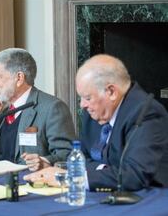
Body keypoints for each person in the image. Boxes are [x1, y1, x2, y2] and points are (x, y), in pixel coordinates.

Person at [24, 54, 168, 191]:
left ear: (111, 92)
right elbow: (81, 158)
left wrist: (73, 178)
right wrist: (51, 164)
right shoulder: (95, 111)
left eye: (87, 97)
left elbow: (134, 175)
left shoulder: (147, 113)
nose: (82, 105)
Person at [0, 48, 75, 170]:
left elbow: (68, 155)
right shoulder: (3, 110)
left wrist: (42, 161)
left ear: (19, 78)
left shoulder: (53, 108)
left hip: (28, 182)